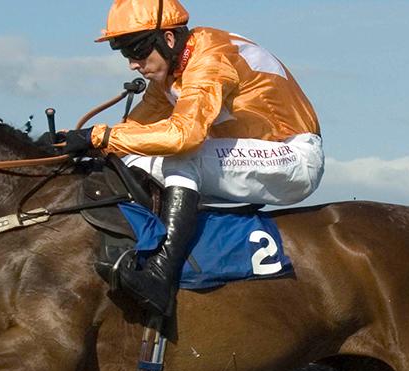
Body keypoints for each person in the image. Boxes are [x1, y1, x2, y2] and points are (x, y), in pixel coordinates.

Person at [62, 0, 324, 317]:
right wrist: (81, 147)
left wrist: (99, 137)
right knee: (134, 161)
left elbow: (184, 136)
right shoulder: (171, 73)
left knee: (180, 157)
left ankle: (160, 274)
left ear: (168, 39)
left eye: (137, 51)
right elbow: (134, 132)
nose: (132, 64)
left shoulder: (209, 58)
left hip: (293, 156)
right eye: (125, 54)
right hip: (246, 155)